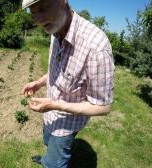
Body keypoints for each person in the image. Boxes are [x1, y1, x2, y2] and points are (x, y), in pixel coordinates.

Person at [21, 0, 115, 167]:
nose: (39, 19)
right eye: (33, 12)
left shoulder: (96, 47)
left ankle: (52, 162)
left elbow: (103, 106)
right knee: (48, 143)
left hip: (67, 123)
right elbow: (59, 70)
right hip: (49, 114)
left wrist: (55, 105)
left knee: (55, 164)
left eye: (42, 8)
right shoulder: (54, 31)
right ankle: (48, 158)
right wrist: (38, 83)